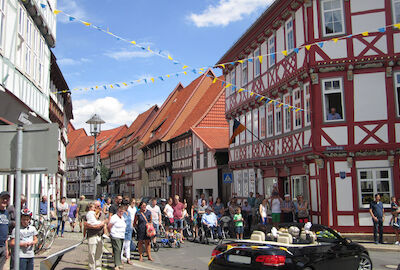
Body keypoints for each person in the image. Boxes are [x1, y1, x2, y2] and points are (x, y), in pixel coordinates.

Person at [85, 201, 106, 270]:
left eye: (100, 206)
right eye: (97, 206)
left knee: (99, 253)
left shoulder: (102, 214)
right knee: (92, 253)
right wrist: (96, 226)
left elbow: (104, 223)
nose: (99, 208)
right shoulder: (89, 214)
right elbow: (86, 224)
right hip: (92, 235)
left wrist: (105, 232)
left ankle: (98, 267)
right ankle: (92, 267)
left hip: (100, 235)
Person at [108, 202, 127, 270]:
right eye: (120, 211)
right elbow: (109, 226)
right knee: (117, 250)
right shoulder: (114, 217)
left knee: (120, 250)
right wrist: (110, 233)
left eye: (122, 211)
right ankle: (116, 264)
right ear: (118, 211)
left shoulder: (122, 218)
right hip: (115, 235)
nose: (121, 212)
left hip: (121, 236)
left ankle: (119, 263)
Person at [0, 191, 10, 270]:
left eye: (7, 199)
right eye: (3, 199)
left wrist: (6, 249)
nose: (5, 201)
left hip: (3, 245)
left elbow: (6, 232)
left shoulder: (6, 213)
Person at [121, 200, 133, 265]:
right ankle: (121, 259)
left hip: (129, 230)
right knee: (122, 245)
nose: (127, 206)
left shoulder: (129, 212)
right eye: (126, 205)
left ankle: (128, 258)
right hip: (123, 231)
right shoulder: (122, 212)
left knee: (128, 245)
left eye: (128, 205)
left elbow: (130, 220)